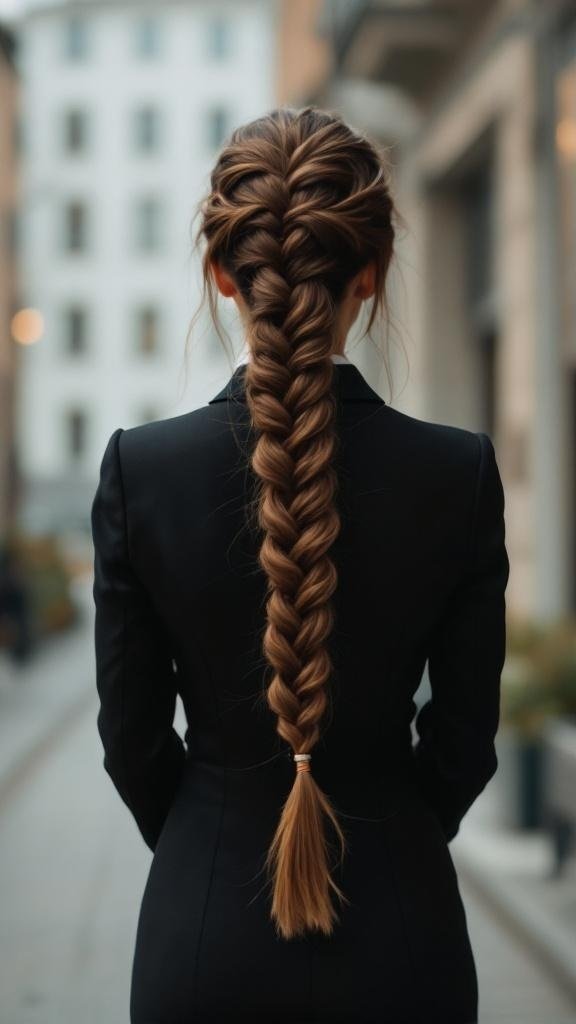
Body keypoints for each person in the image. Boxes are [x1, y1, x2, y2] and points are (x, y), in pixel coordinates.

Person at [91, 106, 509, 1024]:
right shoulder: (459, 474)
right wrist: (392, 827)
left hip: (199, 947)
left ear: (221, 276)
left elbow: (131, 741)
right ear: (373, 271)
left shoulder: (139, 471)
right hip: (406, 943)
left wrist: (209, 832)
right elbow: (466, 741)